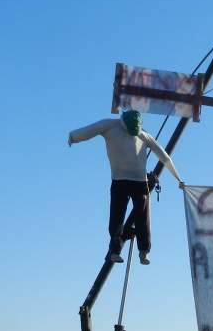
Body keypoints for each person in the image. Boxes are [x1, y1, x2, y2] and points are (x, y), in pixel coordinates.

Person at [68, 110, 184, 265]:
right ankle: (115, 250)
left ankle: (143, 250)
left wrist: (178, 178)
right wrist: (73, 136)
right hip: (119, 180)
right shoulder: (110, 125)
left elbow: (164, 156)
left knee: (143, 218)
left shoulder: (143, 135)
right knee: (116, 218)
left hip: (139, 182)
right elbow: (89, 131)